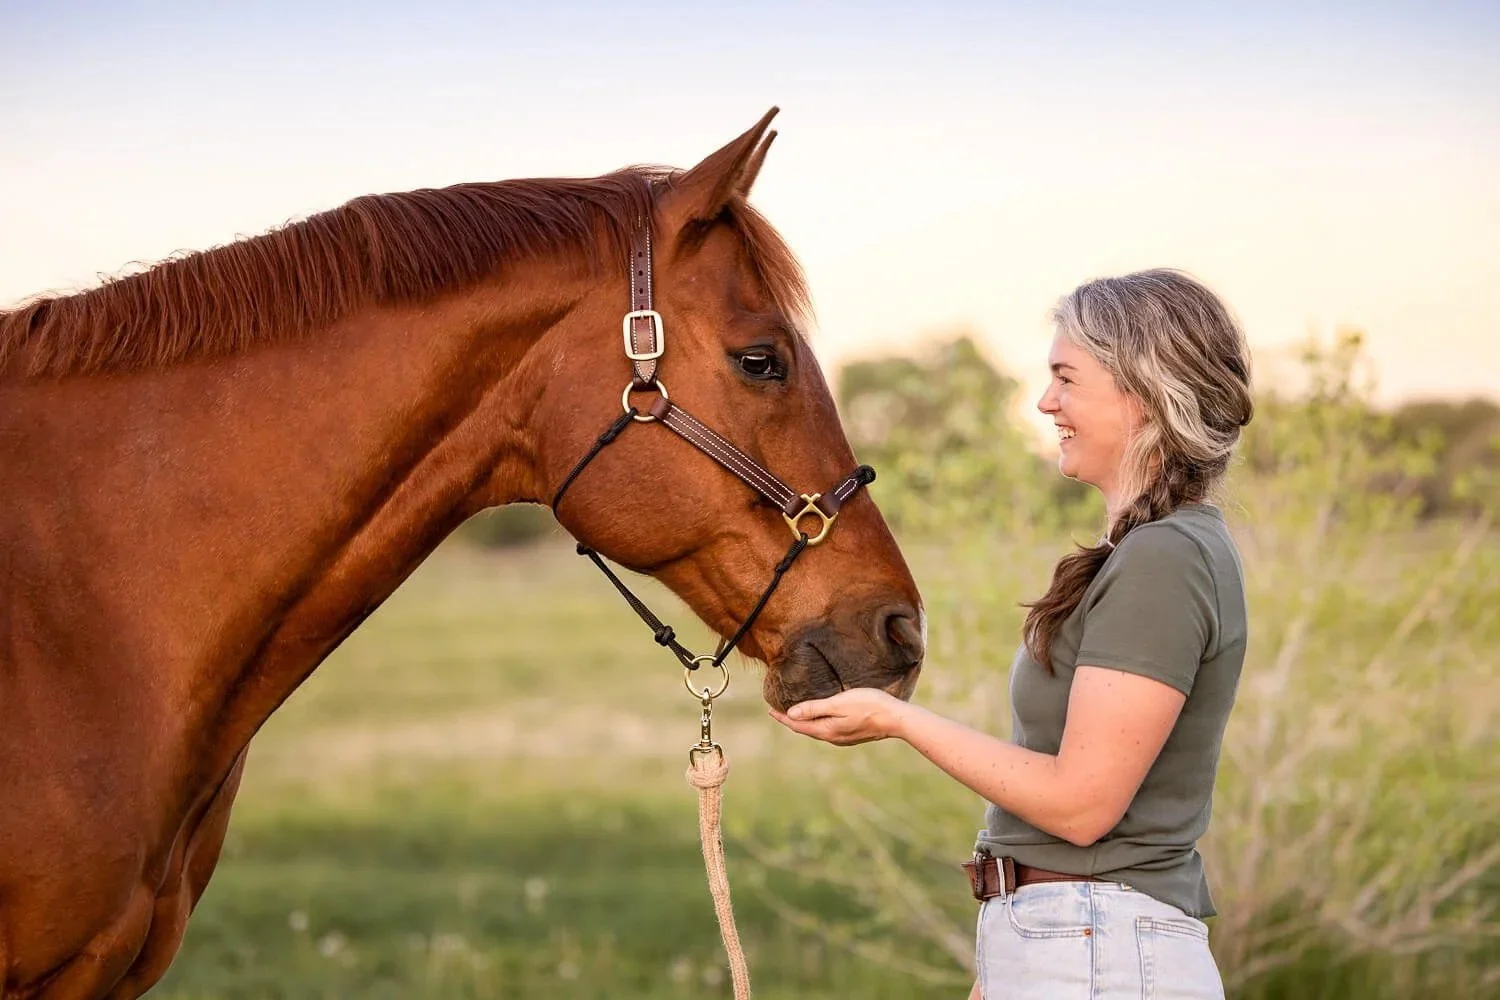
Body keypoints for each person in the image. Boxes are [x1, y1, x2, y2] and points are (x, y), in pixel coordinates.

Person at [773, 268, 1254, 999]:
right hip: (1077, 945)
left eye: (1066, 378)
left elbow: (1082, 805)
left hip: (1096, 950)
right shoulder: (1156, 549)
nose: (1045, 400)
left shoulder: (1166, 557)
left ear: (1143, 393)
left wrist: (896, 719)